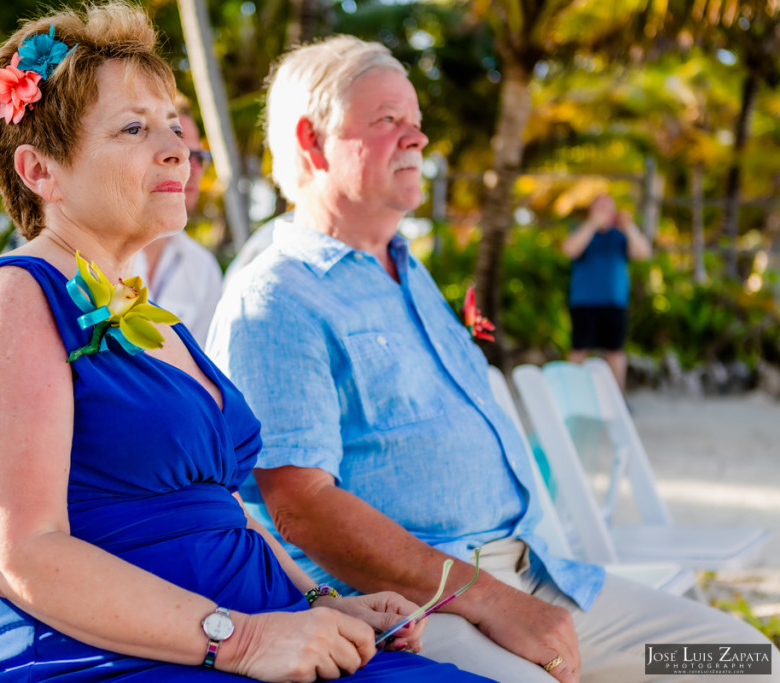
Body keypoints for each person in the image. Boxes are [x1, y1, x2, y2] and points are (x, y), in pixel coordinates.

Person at [0, 5, 492, 682]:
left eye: (173, 126)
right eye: (135, 128)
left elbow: (218, 507)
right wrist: (242, 640)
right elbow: (19, 551)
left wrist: (325, 599)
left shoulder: (148, 315)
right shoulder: (17, 297)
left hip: (248, 630)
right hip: (105, 657)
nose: (177, 148)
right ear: (40, 170)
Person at [208, 35, 778, 683]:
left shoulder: (405, 270)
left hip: (541, 577)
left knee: (741, 660)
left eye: (417, 124)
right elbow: (300, 506)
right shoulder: (278, 294)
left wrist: (515, 593)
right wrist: (486, 596)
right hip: (418, 607)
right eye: (388, 121)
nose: (417, 139)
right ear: (312, 142)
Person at [134, 94, 223, 347]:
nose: (190, 168)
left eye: (198, 157)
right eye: (177, 153)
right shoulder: (90, 257)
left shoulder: (202, 268)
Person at [562, 193, 651, 389]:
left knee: (615, 351)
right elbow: (570, 250)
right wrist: (592, 225)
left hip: (614, 302)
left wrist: (629, 227)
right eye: (600, 208)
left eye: (608, 208)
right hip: (583, 301)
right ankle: (570, 394)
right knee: (579, 349)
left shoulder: (621, 235)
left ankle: (618, 397)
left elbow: (643, 253)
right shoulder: (581, 230)